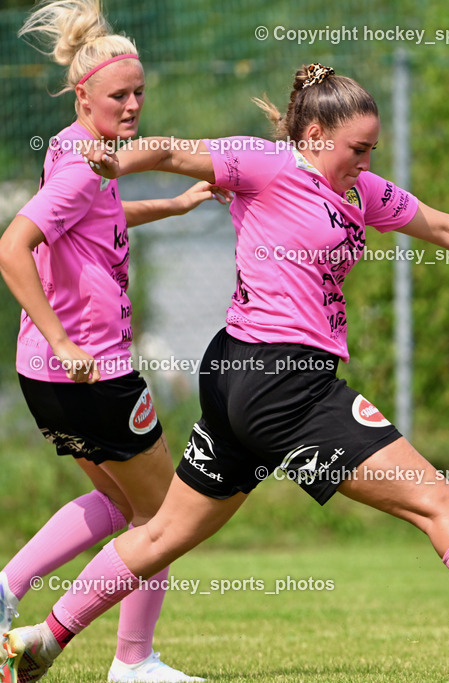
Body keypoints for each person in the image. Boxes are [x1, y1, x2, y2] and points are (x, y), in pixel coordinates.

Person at [2, 62, 449, 683]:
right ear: (314, 137)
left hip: (243, 378)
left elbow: (444, 225)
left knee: (164, 533)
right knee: (439, 501)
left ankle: (43, 638)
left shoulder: (356, 190)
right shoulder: (266, 163)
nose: (366, 162)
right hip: (281, 382)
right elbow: (174, 149)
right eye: (357, 148)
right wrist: (113, 159)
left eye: (372, 149)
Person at [0, 1, 230, 682]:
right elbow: (13, 247)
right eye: (119, 96)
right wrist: (65, 338)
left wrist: (175, 203)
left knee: (120, 506)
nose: (133, 106)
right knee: (164, 514)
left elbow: (94, 215)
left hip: (43, 375)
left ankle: (7, 588)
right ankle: (133, 661)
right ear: (82, 95)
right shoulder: (81, 165)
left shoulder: (77, 154)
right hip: (88, 370)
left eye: (139, 94)